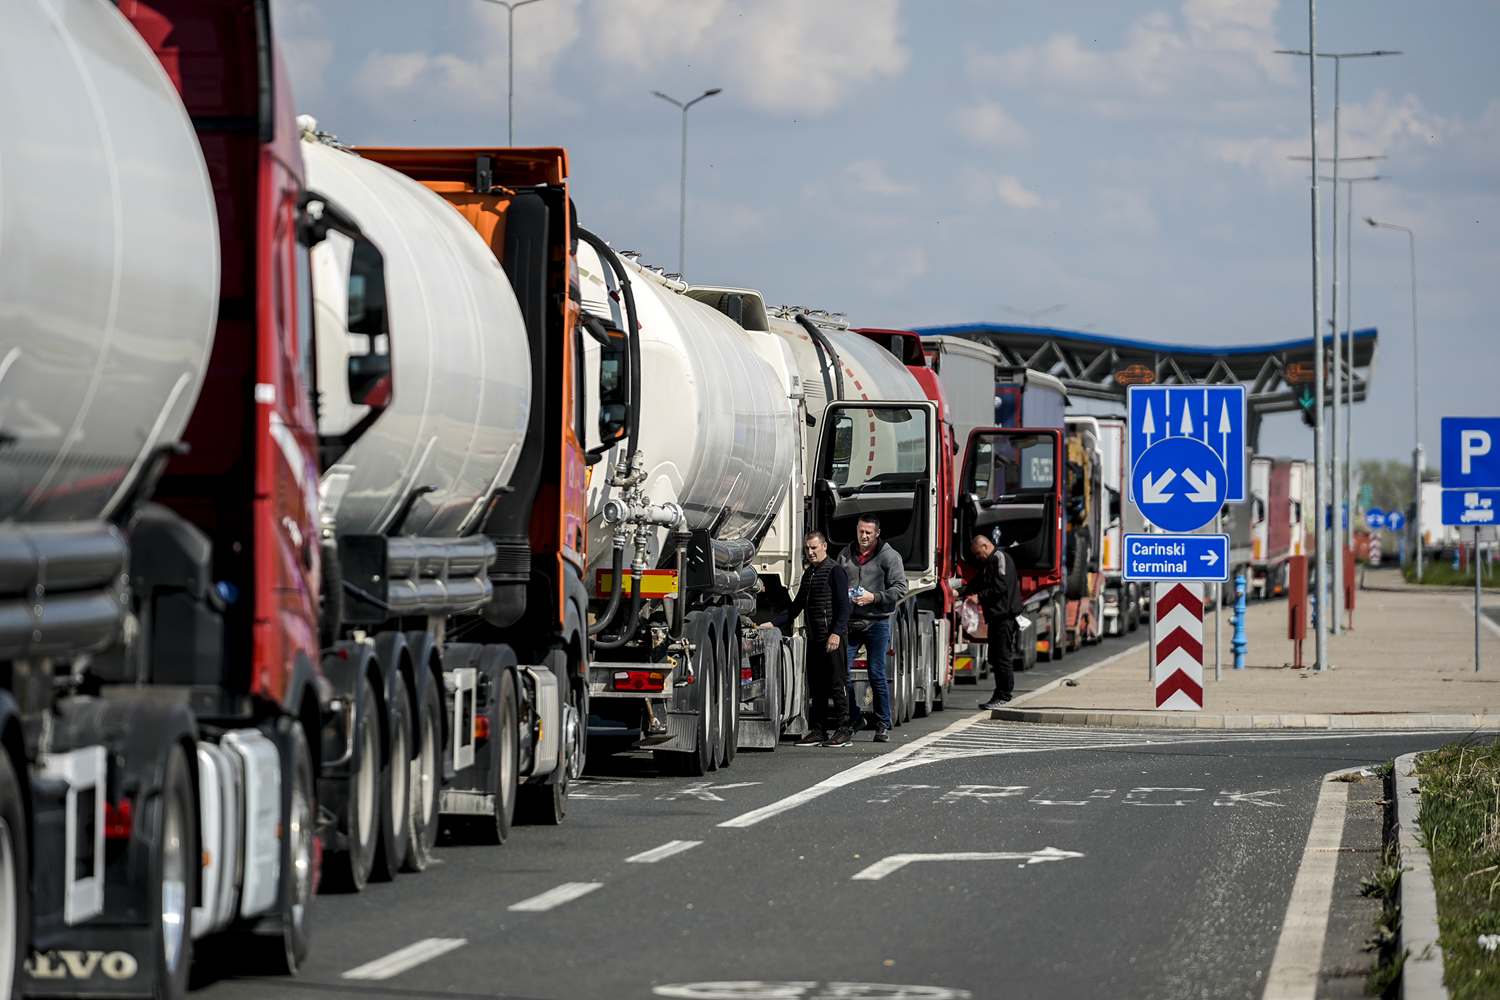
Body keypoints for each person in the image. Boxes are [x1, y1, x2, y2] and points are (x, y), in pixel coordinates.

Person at [768, 531, 854, 747]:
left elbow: (844, 608)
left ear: (824, 546)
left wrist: (836, 633)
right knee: (817, 688)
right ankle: (819, 731)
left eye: (814, 548)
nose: (810, 552)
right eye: (807, 548)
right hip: (815, 638)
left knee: (837, 685)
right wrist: (771, 624)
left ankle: (844, 729)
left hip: (833, 638)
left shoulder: (836, 571)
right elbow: (796, 607)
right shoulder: (810, 574)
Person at [837, 514, 907, 743]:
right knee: (840, 673)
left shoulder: (890, 556)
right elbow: (836, 584)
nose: (864, 536)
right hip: (850, 623)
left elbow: (900, 589)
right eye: (861, 531)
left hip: (877, 622)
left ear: (877, 533)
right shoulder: (845, 555)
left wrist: (873, 597)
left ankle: (882, 724)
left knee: (876, 673)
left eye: (868, 532)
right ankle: (855, 717)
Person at [961, 532, 1023, 710]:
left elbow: (1001, 585)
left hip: (1004, 616)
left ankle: (1004, 695)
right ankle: (999, 693)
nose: (976, 556)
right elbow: (977, 582)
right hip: (995, 617)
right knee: (994, 657)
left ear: (986, 546)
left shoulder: (1000, 558)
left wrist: (979, 598)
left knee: (1002, 656)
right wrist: (961, 591)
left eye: (977, 552)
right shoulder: (989, 563)